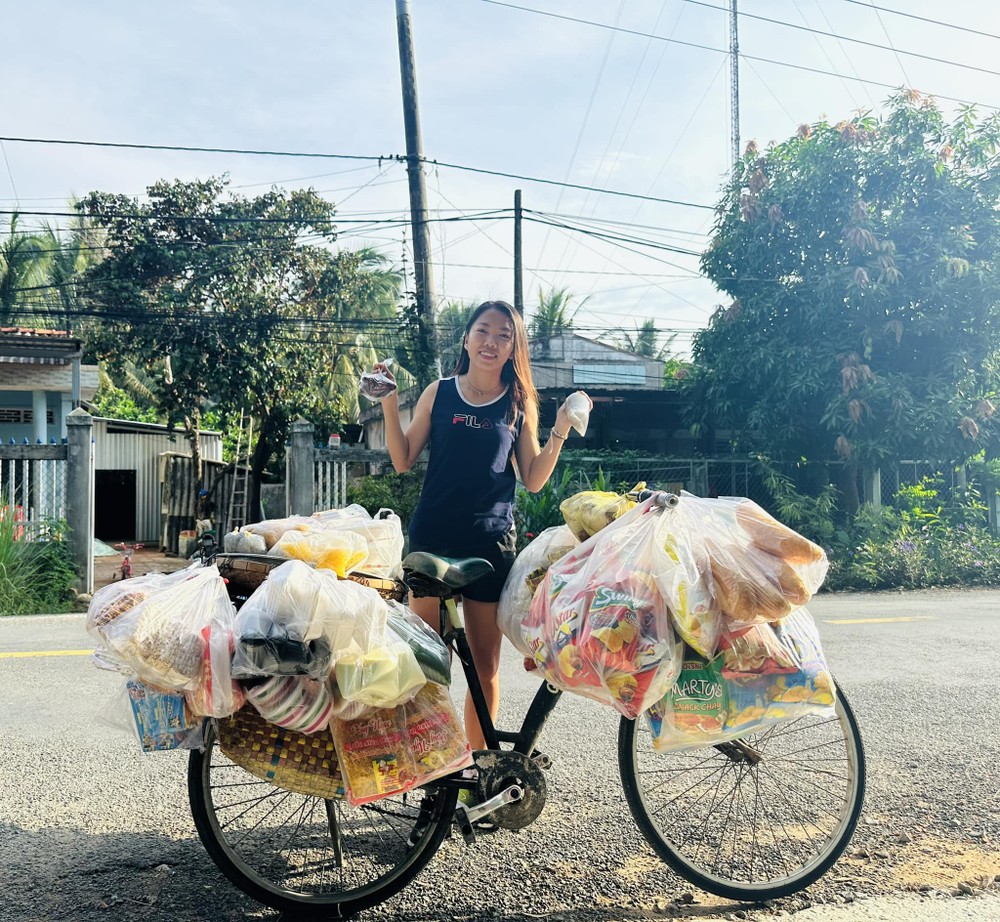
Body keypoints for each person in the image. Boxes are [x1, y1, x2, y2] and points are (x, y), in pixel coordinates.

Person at [373, 299, 590, 749]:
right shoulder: (439, 392)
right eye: (483, 331)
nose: (492, 342)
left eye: (504, 336)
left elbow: (532, 479)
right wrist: (389, 402)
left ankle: (478, 770)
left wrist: (561, 430)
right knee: (427, 665)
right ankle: (433, 772)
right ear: (467, 339)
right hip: (432, 538)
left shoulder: (517, 402)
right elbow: (401, 459)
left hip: (489, 543)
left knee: (485, 669)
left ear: (513, 348)